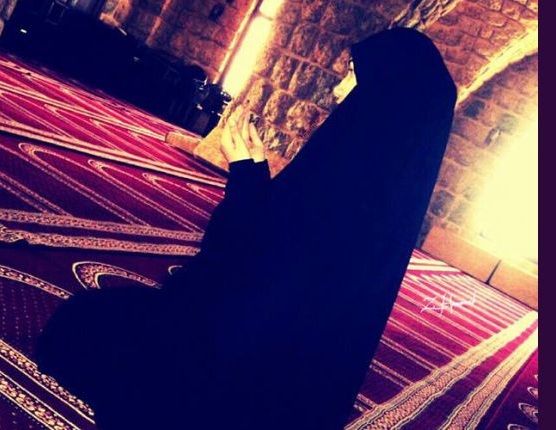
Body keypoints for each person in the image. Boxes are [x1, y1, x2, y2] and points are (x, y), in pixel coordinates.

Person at [36, 27, 457, 429]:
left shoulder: (348, 171)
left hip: (235, 365)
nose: (337, 89)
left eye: (352, 74)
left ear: (384, 91)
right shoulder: (382, 191)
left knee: (84, 330)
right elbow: (285, 242)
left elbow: (241, 262)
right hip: (281, 378)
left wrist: (243, 175)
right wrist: (255, 173)